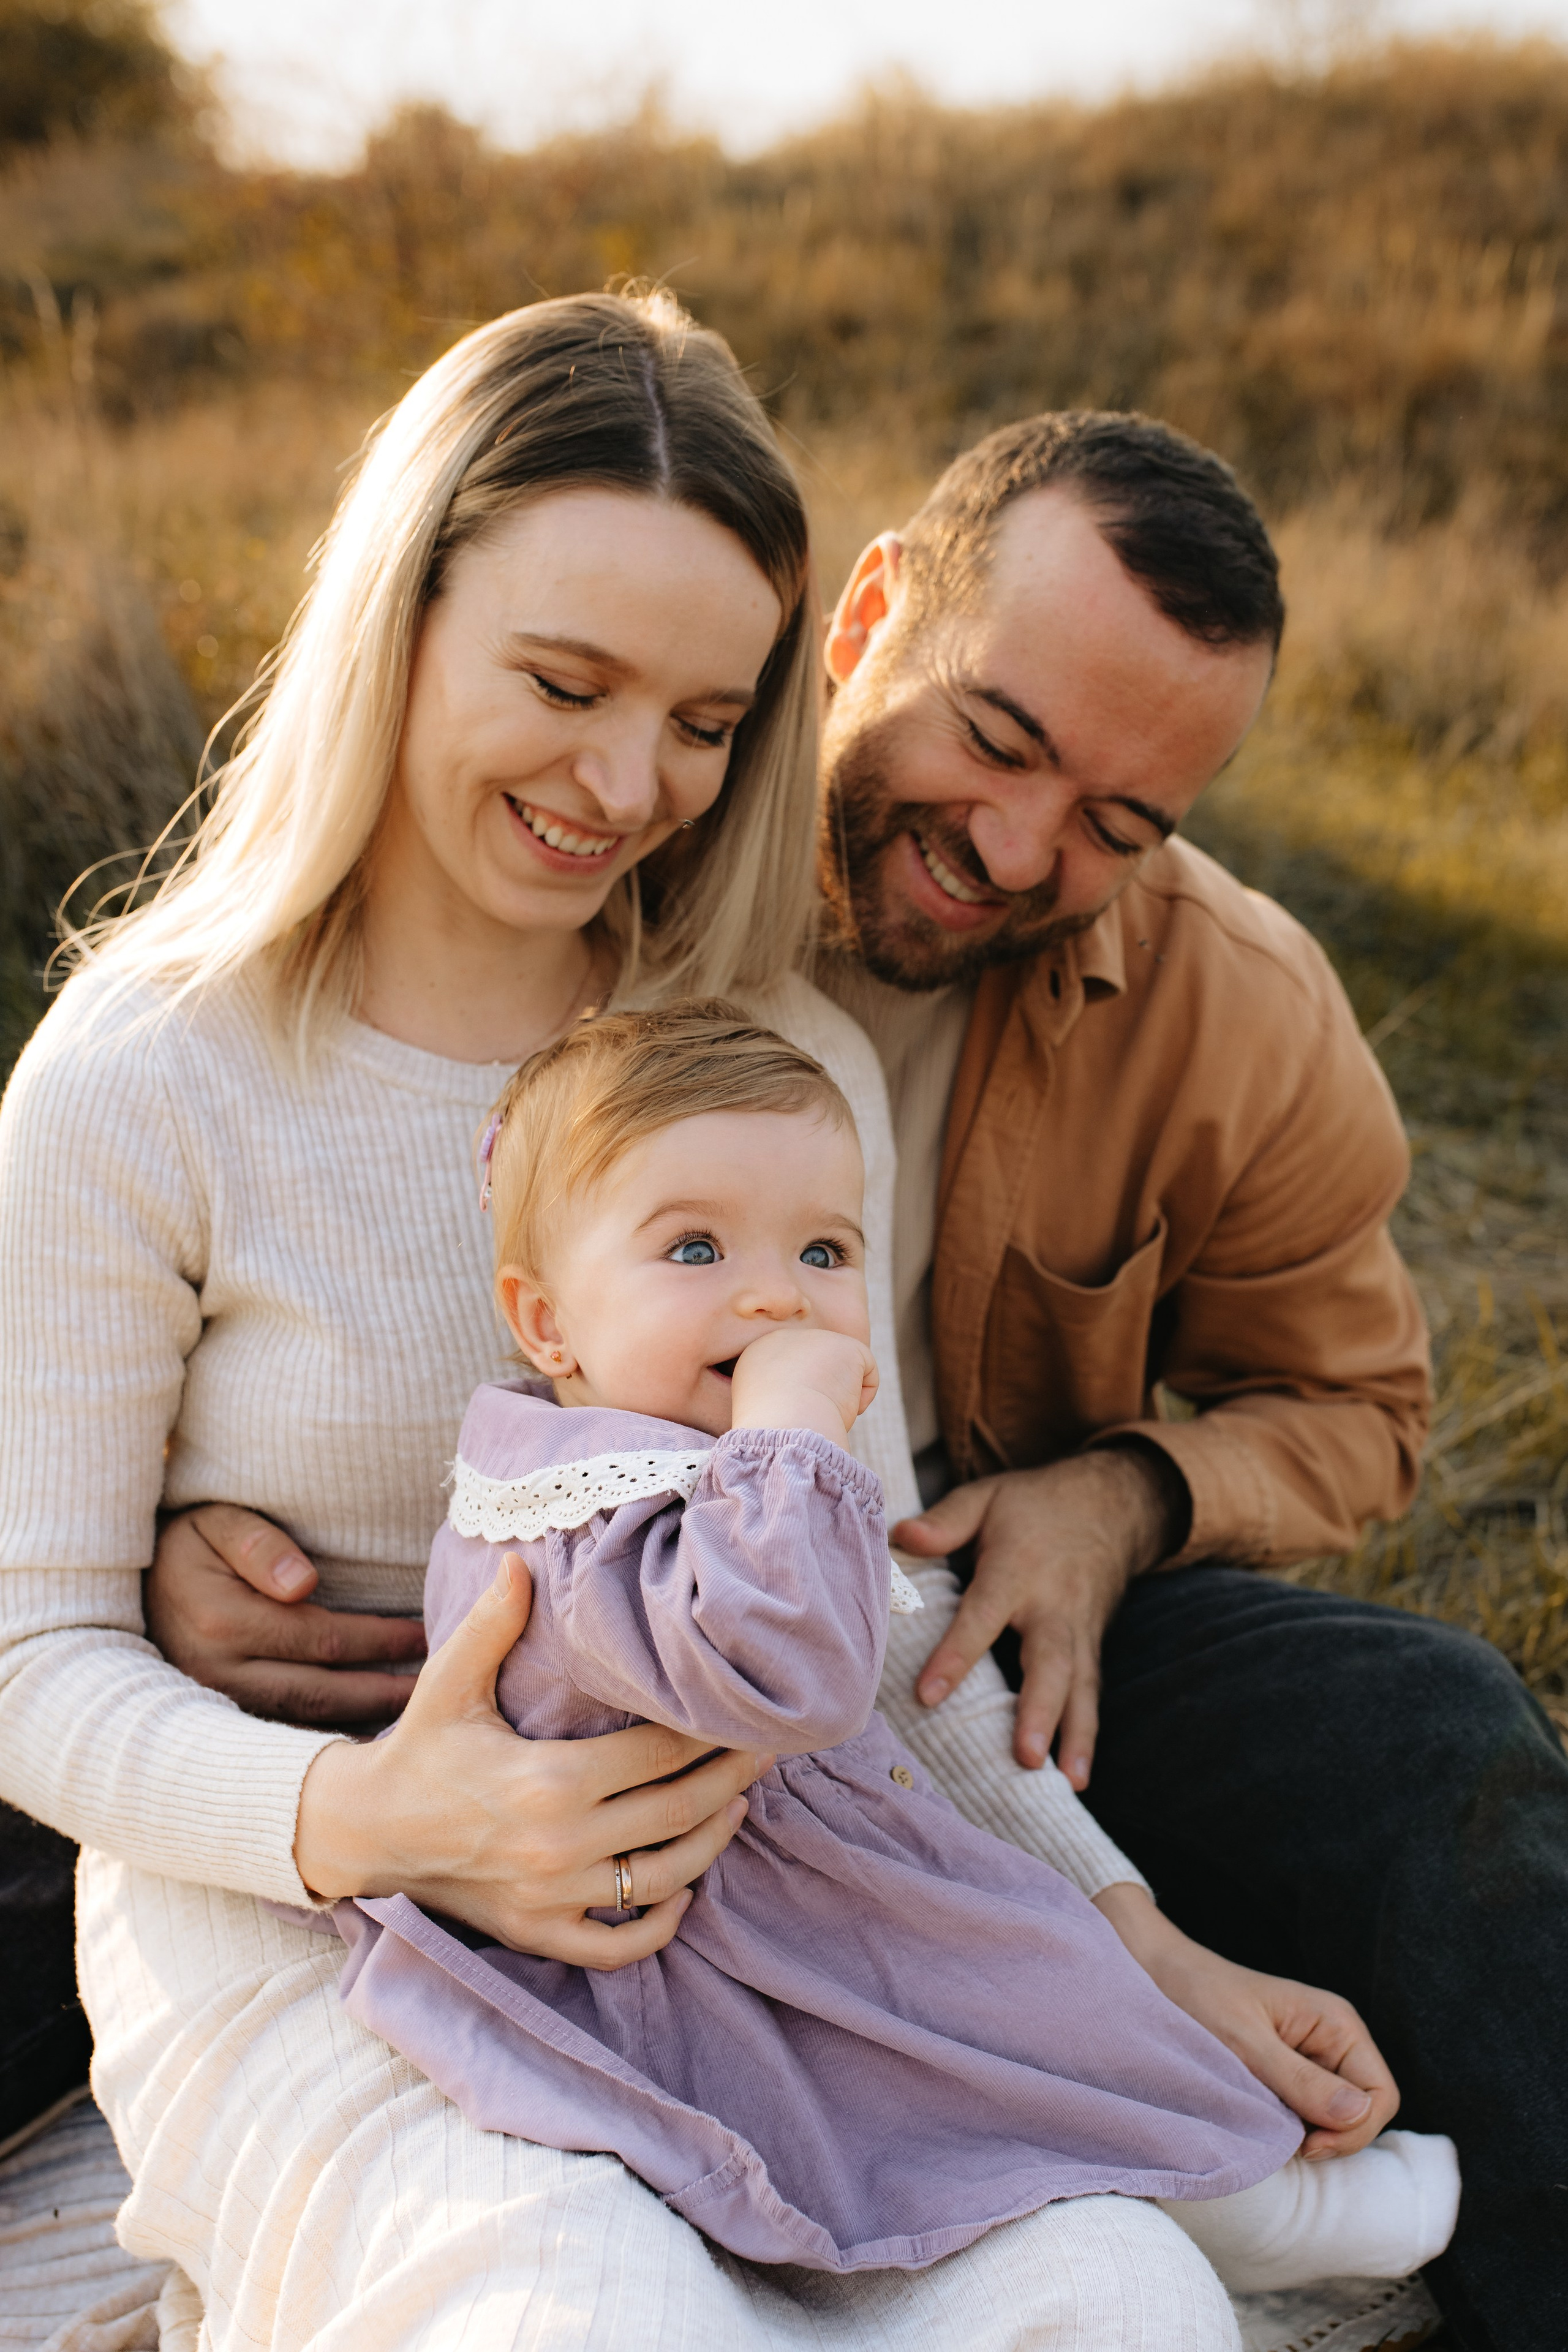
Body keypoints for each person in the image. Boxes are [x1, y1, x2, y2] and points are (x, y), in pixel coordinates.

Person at [0, 291, 1379, 2352]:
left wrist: (1137, 1937)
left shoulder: (764, 1069)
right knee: (580, 2302)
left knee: (1114, 2291)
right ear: (402, 617)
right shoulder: (147, 1077)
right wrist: (381, 1815)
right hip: (315, 1921)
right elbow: (29, 1660)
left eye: (708, 722)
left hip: (772, 1920)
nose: (627, 780)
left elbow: (874, 1604)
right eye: (565, 682)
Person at [807, 410, 1568, 2352]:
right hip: (605, 1639)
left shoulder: (1244, 1005)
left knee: (1442, 1736)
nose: (1014, 850)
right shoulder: (610, 847)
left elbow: (1360, 1406)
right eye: (997, 737)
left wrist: (1119, 1498)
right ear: (873, 610)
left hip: (1004, 1652)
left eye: (1121, 826)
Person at [321, 997, 1457, 2293]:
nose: (770, 1294)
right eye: (691, 1248)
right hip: (714, 1953)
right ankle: (1258, 2219)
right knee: (989, 2060)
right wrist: (795, 1430)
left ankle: (1233, 2177)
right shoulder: (587, 1509)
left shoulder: (685, 1456)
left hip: (812, 1881)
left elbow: (878, 1654)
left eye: (822, 1250)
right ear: (546, 1324)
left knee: (1057, 1995)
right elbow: (785, 1672)